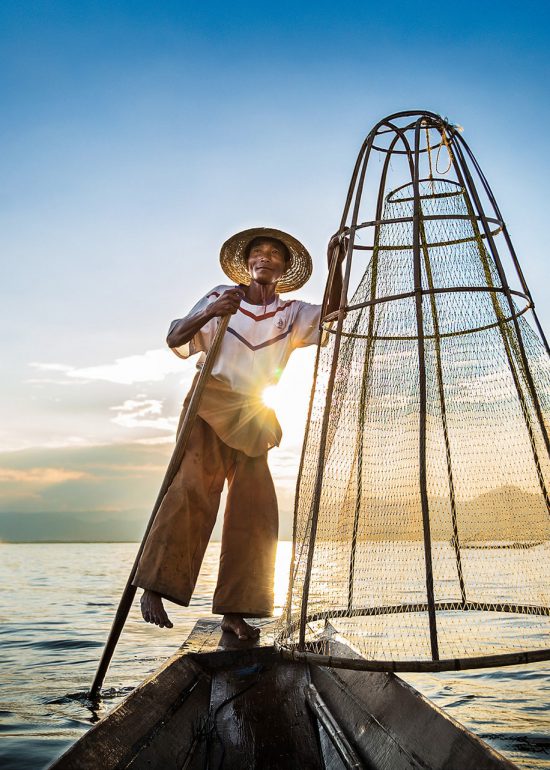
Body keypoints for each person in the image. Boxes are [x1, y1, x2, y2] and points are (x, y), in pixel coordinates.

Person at [133, 227, 343, 639]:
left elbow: (335, 314)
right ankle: (155, 587)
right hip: (210, 401)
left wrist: (336, 263)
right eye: (257, 253)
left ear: (283, 267)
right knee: (191, 488)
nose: (265, 257)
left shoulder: (292, 313)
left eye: (274, 254)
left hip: (253, 411)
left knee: (256, 508)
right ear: (247, 264)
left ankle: (237, 610)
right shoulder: (220, 297)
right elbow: (174, 338)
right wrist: (210, 313)